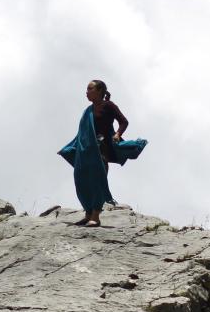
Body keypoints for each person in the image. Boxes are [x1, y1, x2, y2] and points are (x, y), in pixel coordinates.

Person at [58, 79, 147, 226]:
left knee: (97, 180)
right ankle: (87, 213)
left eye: (90, 89)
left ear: (99, 91)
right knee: (81, 179)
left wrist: (118, 134)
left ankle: (96, 216)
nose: (86, 92)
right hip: (86, 151)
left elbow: (124, 121)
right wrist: (72, 147)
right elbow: (82, 134)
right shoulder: (87, 111)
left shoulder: (109, 106)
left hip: (102, 148)